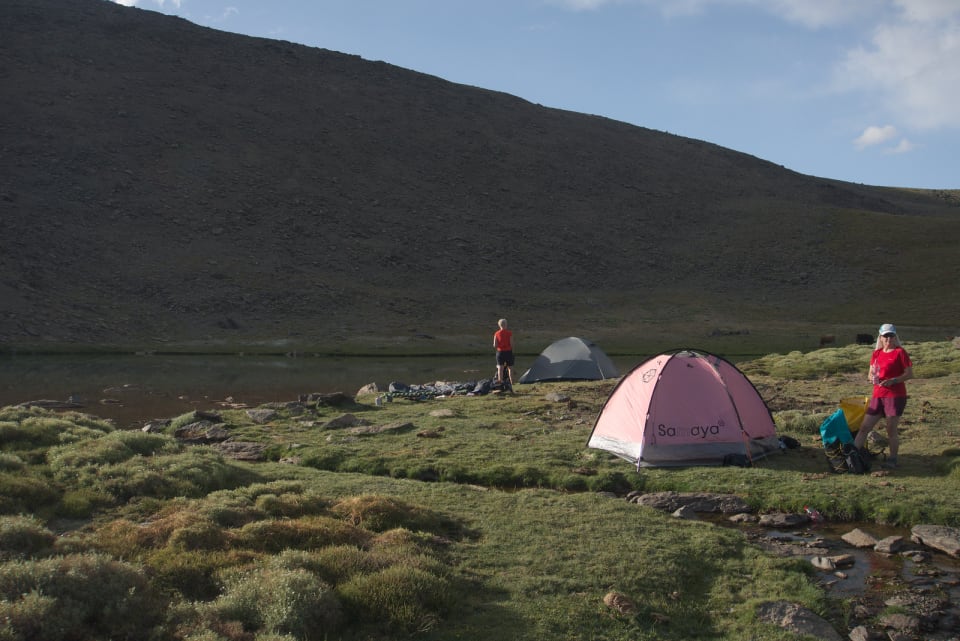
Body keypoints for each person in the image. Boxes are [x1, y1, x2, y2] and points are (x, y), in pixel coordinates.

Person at [854, 323, 913, 469]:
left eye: (891, 335)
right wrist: (872, 378)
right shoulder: (877, 354)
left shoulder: (900, 352)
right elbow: (870, 373)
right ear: (880, 337)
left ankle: (892, 459)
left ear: (895, 337)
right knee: (864, 427)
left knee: (891, 429)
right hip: (878, 395)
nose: (888, 338)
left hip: (895, 396)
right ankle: (853, 456)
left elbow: (909, 374)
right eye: (885, 336)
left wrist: (894, 380)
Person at [493, 318, 515, 386]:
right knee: (510, 368)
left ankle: (500, 382)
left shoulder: (496, 333)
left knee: (500, 368)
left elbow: (495, 345)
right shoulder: (509, 333)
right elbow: (512, 344)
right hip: (508, 352)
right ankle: (512, 382)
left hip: (500, 352)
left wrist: (499, 346)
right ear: (506, 325)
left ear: (499, 325)